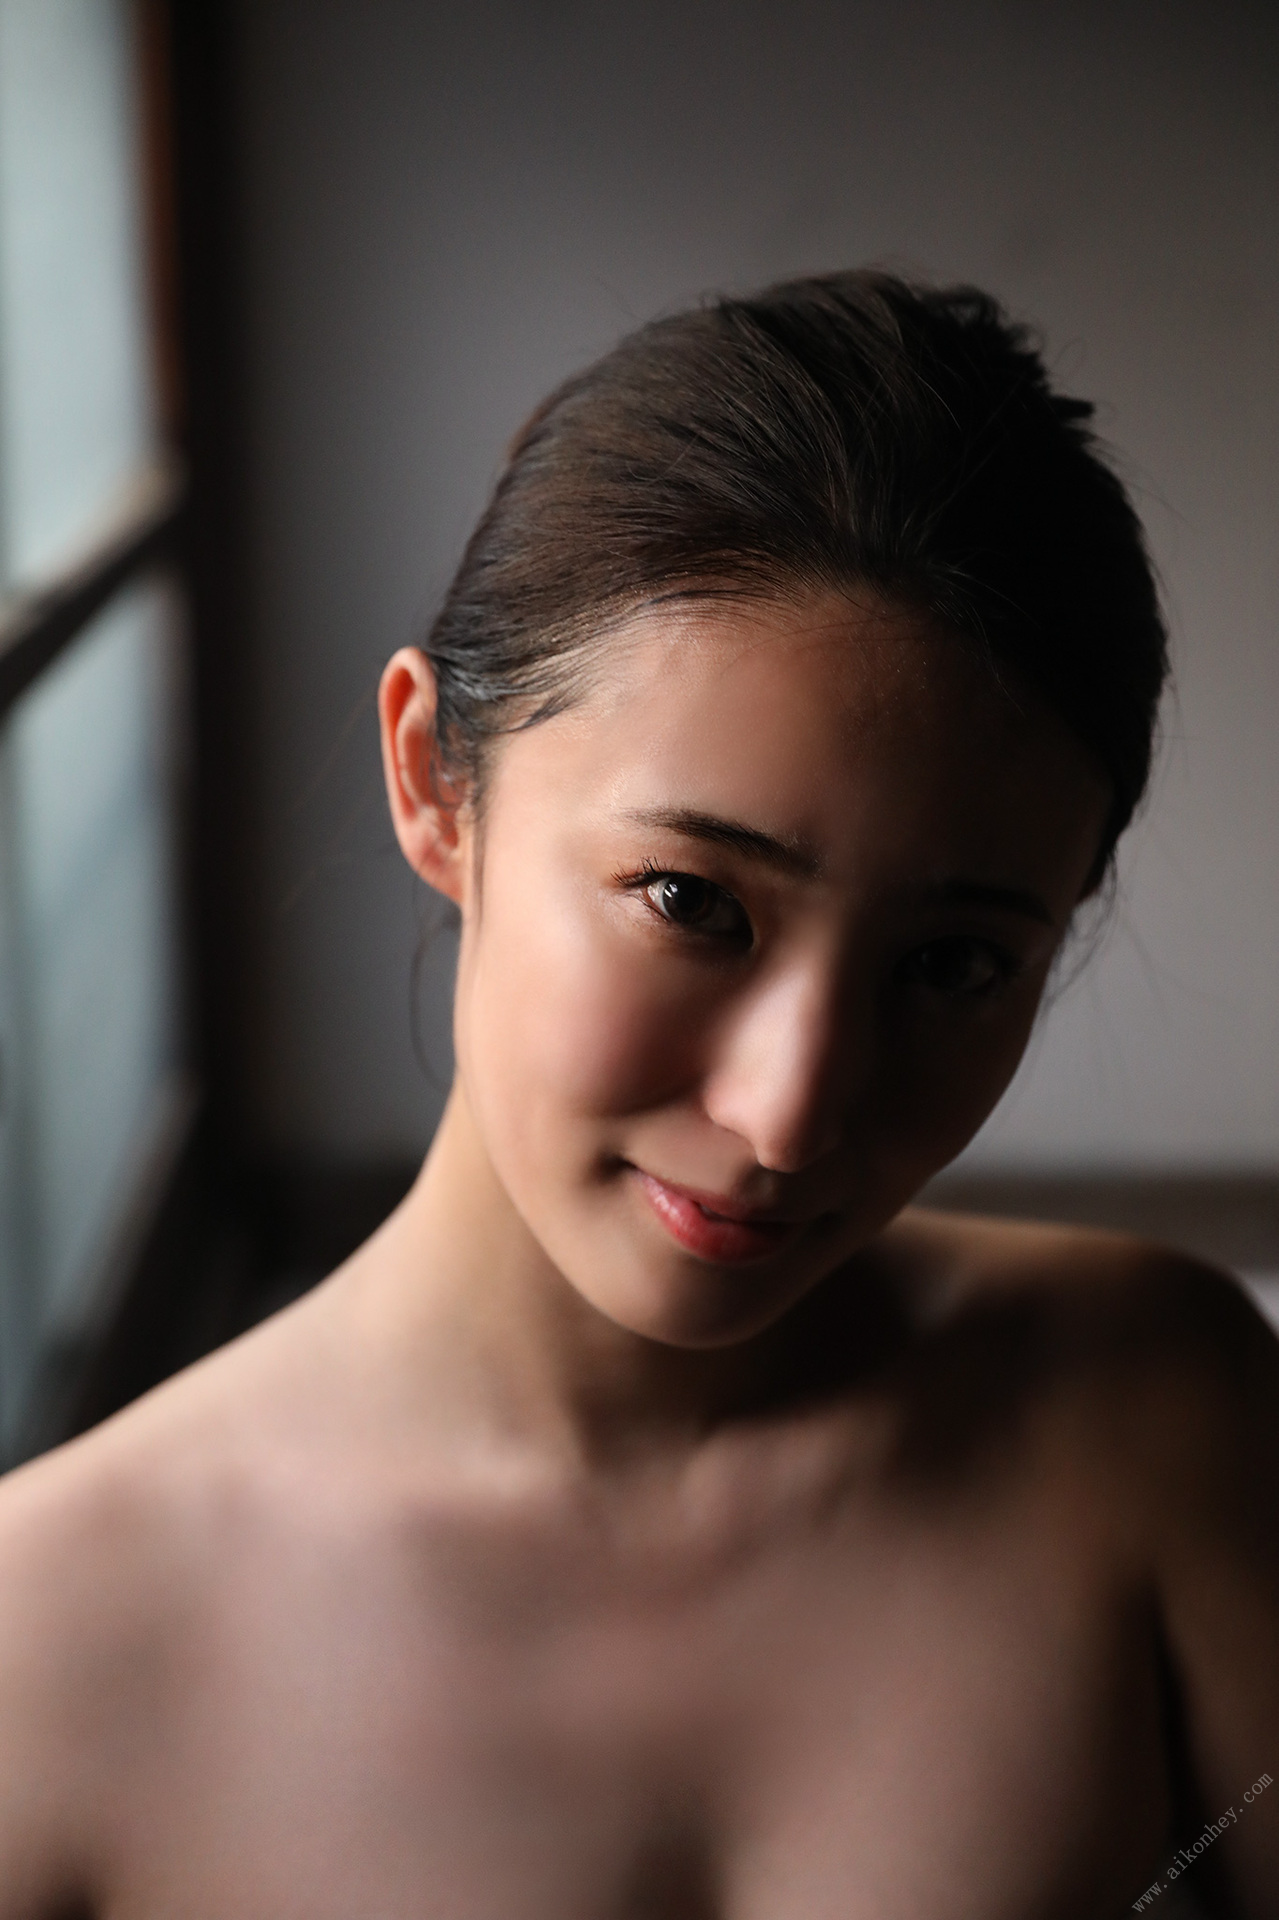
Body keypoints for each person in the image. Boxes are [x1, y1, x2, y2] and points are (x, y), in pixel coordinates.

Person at [0, 270, 1276, 1920]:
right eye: (691, 901)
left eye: (954, 964)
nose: (790, 1114)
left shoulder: (1149, 1416)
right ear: (435, 780)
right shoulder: (44, 1655)